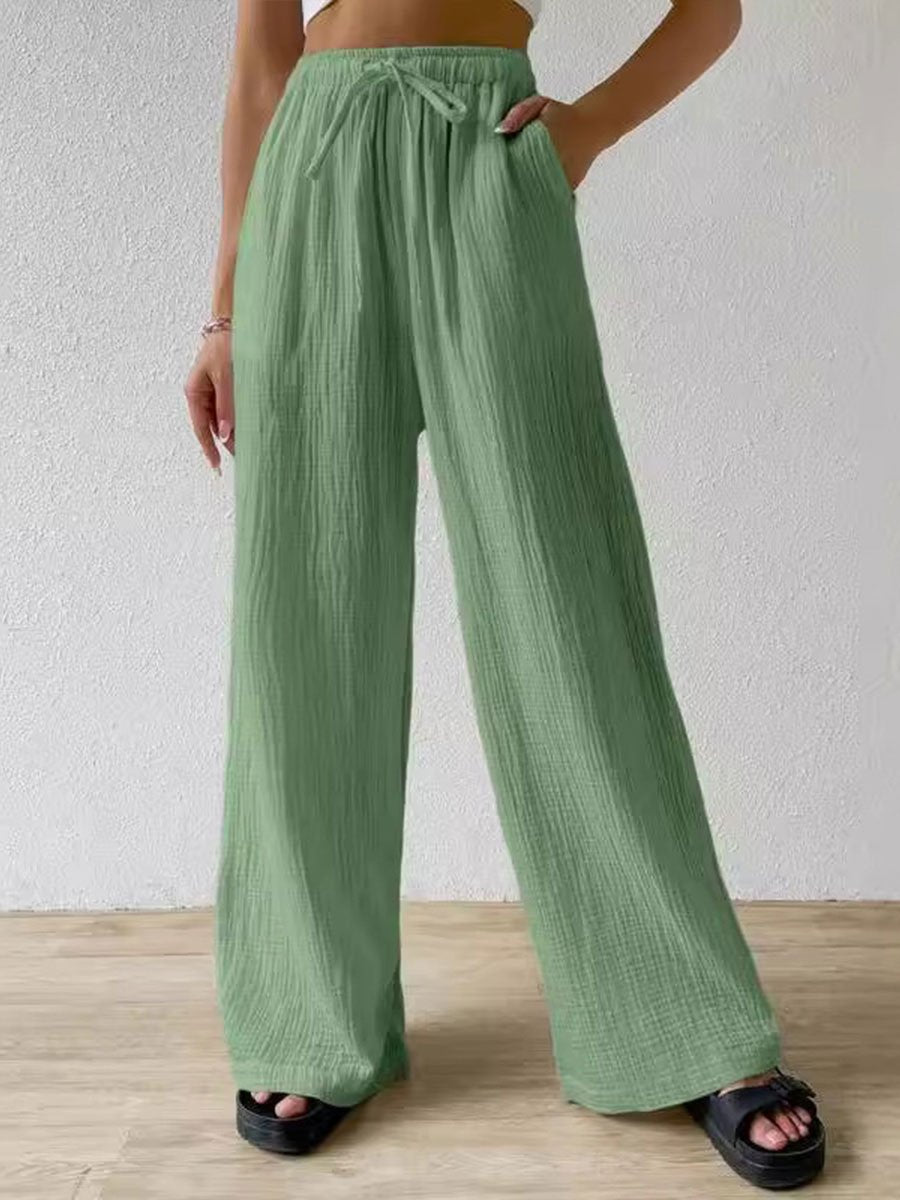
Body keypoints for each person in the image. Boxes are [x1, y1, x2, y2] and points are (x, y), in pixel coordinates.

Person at [183, 0, 825, 1187]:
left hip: (489, 159)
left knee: (567, 600)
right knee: (303, 618)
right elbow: (264, 60)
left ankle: (683, 1025)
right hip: (310, 180)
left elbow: (714, 10)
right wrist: (225, 307)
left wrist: (588, 128)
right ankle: (312, 1022)